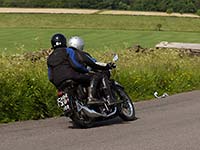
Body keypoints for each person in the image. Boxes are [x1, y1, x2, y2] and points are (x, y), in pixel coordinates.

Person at [47, 34, 113, 104]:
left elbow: (50, 76)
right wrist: (85, 71)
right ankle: (92, 97)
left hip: (58, 83)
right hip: (71, 76)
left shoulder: (49, 58)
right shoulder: (68, 50)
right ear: (64, 42)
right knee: (96, 76)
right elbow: (76, 64)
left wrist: (56, 83)